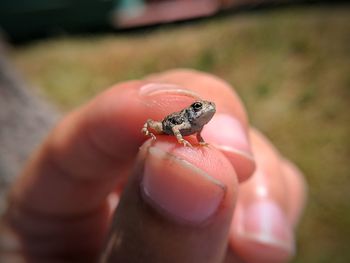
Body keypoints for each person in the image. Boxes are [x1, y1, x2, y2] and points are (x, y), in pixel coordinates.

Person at [0, 69, 307, 263]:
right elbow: (173, 128)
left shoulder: (196, 125)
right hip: (165, 126)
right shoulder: (183, 119)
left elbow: (195, 132)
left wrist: (196, 142)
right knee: (157, 126)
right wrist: (169, 135)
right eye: (200, 107)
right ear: (192, 110)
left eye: (204, 109)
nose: (205, 111)